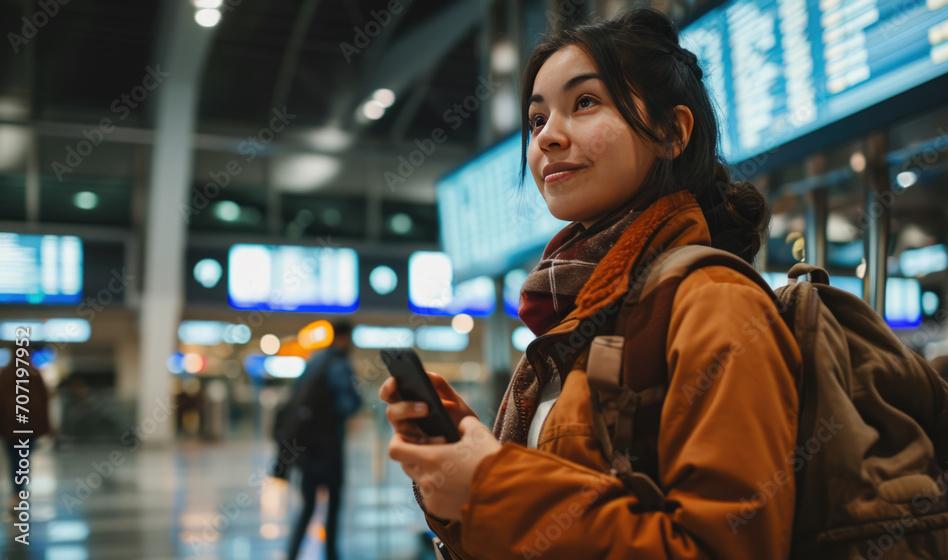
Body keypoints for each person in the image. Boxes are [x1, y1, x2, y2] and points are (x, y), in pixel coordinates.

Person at [379, 8, 801, 559]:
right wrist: (463, 481)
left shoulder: (713, 301)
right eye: (536, 120)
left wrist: (492, 483)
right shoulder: (577, 312)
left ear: (672, 132)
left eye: (584, 103)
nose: (548, 137)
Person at [277, 321, 361, 560]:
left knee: (307, 506)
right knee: (333, 507)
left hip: (306, 449)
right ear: (344, 339)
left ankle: (291, 554)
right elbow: (350, 404)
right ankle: (332, 554)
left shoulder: (313, 362)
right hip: (330, 448)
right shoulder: (340, 365)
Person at [0, 347, 52, 518]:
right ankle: (20, 493)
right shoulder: (34, 375)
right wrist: (47, 427)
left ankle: (17, 494)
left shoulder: (5, 375)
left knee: (14, 460)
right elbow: (43, 402)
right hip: (28, 428)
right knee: (23, 460)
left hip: (9, 428)